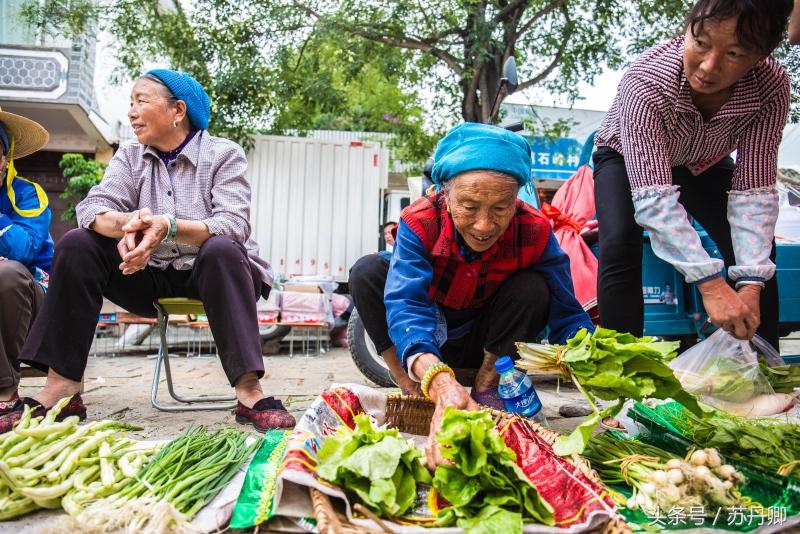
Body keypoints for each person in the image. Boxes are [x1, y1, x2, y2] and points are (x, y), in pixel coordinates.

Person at [0, 69, 295, 433]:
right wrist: (131, 224)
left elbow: (234, 223)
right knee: (77, 243)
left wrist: (167, 226)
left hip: (212, 277)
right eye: (130, 103)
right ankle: (61, 389)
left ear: (178, 111)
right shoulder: (130, 155)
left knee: (222, 248)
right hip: (143, 272)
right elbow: (92, 209)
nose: (132, 112)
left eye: (142, 101)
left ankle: (250, 392)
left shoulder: (222, 154)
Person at [349, 123, 594, 468]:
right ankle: (408, 386)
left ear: (516, 201)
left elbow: (567, 312)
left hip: (488, 344)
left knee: (534, 287)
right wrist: (435, 378)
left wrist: (598, 371)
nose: (483, 225)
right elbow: (407, 305)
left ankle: (486, 386)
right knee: (367, 271)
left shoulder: (535, 229)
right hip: (428, 342)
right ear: (445, 196)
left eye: (500, 208)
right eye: (469, 206)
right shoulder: (419, 220)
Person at [593, 0, 793, 351]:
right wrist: (711, 285)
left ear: (763, 53)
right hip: (626, 155)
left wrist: (750, 284)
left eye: (734, 53)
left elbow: (754, 188)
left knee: (757, 253)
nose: (708, 66)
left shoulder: (771, 86)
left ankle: (764, 366)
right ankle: (620, 368)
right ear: (688, 29)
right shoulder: (646, 80)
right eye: (700, 43)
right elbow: (654, 200)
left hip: (702, 160)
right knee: (620, 242)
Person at [0, 109, 53, 416]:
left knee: (6, 273)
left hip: (34, 306)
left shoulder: (29, 195)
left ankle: (5, 393)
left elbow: (22, 249)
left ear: (6, 158)